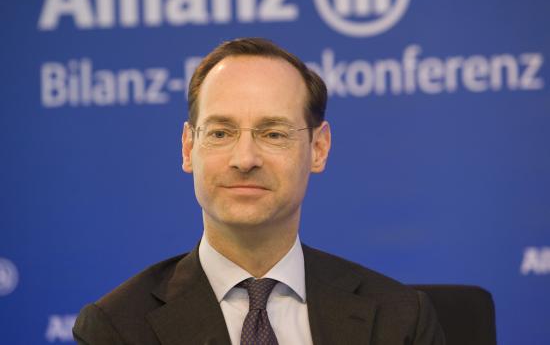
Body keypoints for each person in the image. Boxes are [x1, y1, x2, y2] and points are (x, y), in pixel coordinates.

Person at [73, 37, 445, 344]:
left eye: (273, 134)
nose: (245, 159)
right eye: (221, 133)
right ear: (188, 148)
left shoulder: (401, 320)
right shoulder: (117, 329)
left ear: (318, 148)